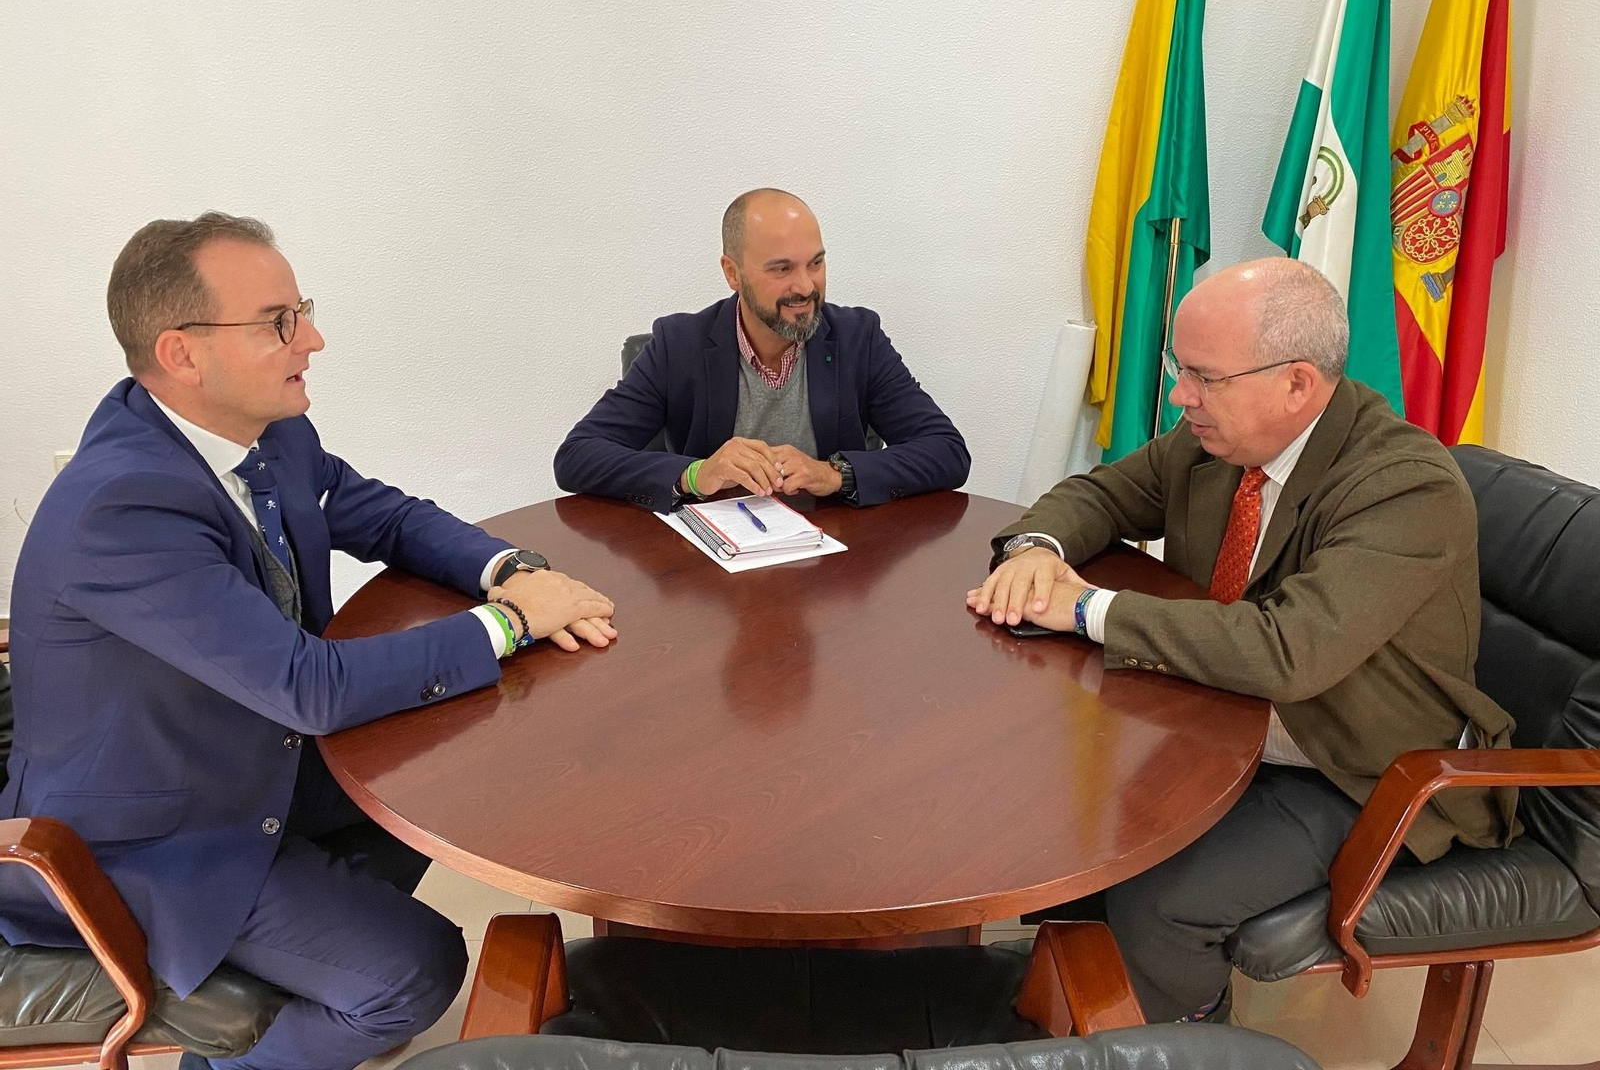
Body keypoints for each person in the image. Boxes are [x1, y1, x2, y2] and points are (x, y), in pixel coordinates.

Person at [0, 213, 617, 1070]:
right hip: (150, 839)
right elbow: (309, 687)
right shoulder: (123, 507)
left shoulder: (270, 433)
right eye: (279, 322)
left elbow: (385, 517)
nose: (313, 340)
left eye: (304, 311)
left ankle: (304, 980)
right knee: (414, 971)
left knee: (455, 771)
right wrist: (511, 624)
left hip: (253, 756)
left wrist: (511, 570)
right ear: (182, 354)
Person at [967, 258, 1515, 1023]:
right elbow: (1103, 492)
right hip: (1224, 717)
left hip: (1354, 763)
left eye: (1205, 377)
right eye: (1179, 369)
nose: (1180, 395)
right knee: (1056, 810)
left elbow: (1290, 650)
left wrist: (1087, 609)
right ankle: (1071, 1004)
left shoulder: (1404, 485)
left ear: (1297, 384)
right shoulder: (1216, 442)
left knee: (1164, 900)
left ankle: (1180, 1036)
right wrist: (1035, 550)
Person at [553, 188, 969, 511]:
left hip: (836, 561)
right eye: (781, 268)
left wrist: (834, 474)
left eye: (816, 263)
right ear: (732, 274)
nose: (805, 286)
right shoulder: (678, 345)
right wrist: (696, 474)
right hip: (708, 567)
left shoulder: (858, 338)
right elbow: (577, 457)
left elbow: (947, 451)